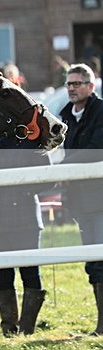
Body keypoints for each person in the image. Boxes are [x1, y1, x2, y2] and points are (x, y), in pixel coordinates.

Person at [0, 136, 52, 336]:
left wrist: (21, 191)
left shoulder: (30, 141)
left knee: (30, 273)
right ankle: (9, 328)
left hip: (24, 217)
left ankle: (27, 329)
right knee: (1, 276)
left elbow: (47, 178)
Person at [59, 63, 103, 336]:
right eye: (69, 84)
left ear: (91, 86)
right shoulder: (64, 115)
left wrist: (62, 166)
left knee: (100, 260)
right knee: (92, 262)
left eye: (77, 83)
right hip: (80, 200)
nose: (72, 88)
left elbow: (96, 149)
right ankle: (100, 325)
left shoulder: (101, 112)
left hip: (100, 197)